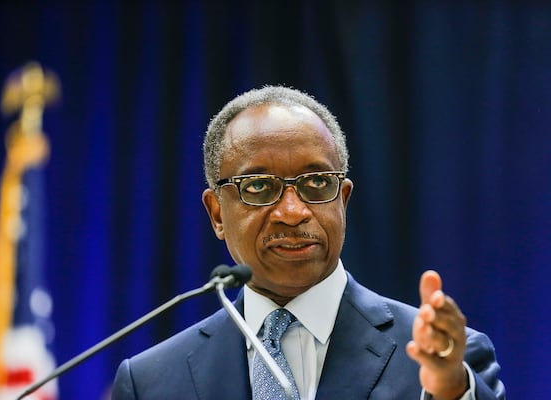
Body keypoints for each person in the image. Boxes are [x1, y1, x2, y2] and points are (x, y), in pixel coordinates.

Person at [112, 86, 505, 399]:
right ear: (217, 213)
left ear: (343, 199)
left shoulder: (447, 362)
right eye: (260, 186)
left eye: (317, 183)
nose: (292, 211)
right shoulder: (152, 382)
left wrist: (451, 391)